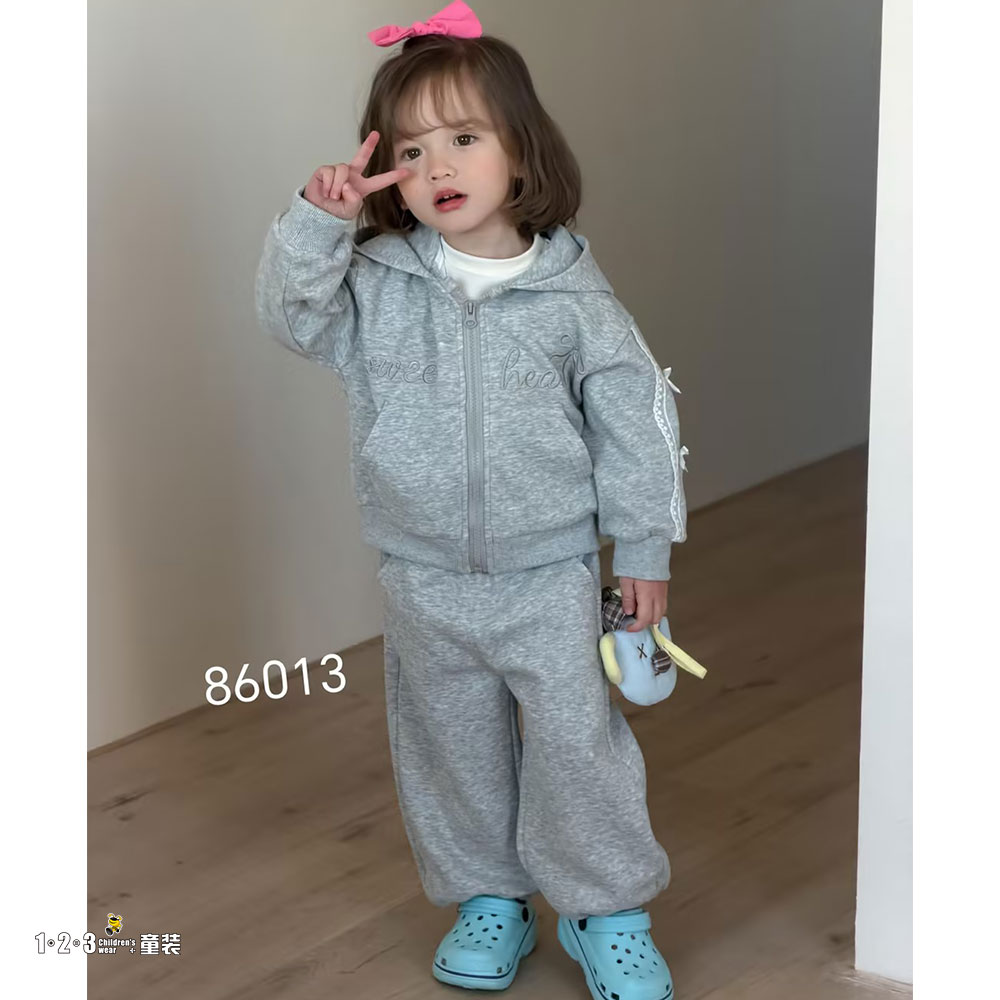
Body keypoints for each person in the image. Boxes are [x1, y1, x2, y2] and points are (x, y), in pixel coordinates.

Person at [254, 3, 688, 997]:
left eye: (462, 137)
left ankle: (608, 911)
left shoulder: (577, 300)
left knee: (578, 753)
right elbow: (289, 318)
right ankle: (488, 898)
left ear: (520, 150)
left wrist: (643, 554)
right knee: (452, 751)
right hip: (423, 577)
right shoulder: (374, 285)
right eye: (409, 150)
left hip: (551, 576)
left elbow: (637, 431)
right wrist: (318, 221)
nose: (435, 165)